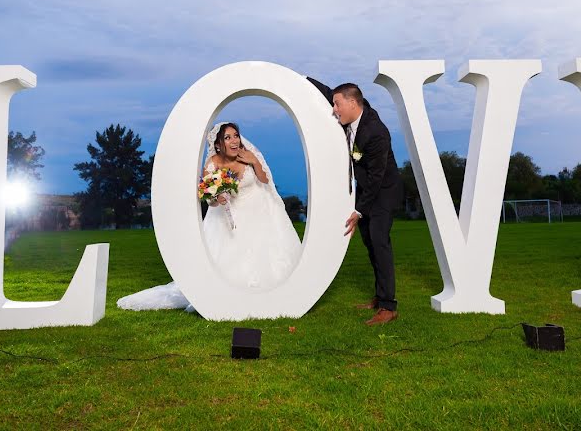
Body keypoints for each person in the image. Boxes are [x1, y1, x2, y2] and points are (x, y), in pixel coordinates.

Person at [116, 122, 302, 311]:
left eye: (236, 135)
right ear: (219, 144)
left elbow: (264, 180)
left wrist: (254, 161)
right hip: (228, 216)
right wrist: (217, 197)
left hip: (258, 211)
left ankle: (274, 292)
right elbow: (209, 199)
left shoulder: (247, 156)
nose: (234, 141)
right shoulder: (212, 163)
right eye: (227, 137)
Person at [308, 78, 403, 326]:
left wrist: (359, 210)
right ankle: (380, 296)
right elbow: (330, 92)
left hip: (382, 192)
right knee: (371, 244)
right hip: (366, 190)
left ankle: (388, 307)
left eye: (337, 104)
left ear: (352, 103)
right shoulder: (352, 108)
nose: (334, 109)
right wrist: (300, 79)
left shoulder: (376, 132)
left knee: (380, 243)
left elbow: (376, 177)